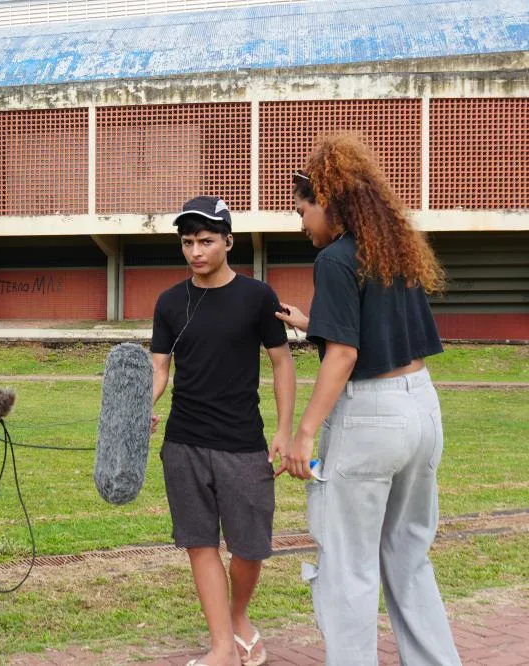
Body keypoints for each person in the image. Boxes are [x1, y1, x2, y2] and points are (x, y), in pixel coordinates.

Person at [275, 134, 461, 666]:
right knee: (407, 557)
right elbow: (381, 333)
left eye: (302, 209)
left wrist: (305, 431)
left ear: (326, 201)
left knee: (347, 565)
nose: (301, 221)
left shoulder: (334, 259)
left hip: (369, 420)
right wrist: (314, 324)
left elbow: (344, 356)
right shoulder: (393, 250)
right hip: (421, 408)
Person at [151, 196, 296, 666]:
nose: (196, 251)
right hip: (184, 443)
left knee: (251, 546)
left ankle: (237, 617)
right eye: (188, 242)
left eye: (206, 241)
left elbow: (282, 364)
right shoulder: (170, 302)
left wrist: (285, 430)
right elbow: (159, 374)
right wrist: (132, 415)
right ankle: (221, 648)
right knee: (199, 544)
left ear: (228, 242)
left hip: (243, 443)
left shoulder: (258, 296)